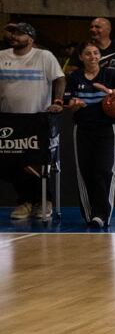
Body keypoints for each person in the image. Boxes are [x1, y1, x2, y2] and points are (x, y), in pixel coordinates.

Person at [60, 42, 115, 228]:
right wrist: (74, 105)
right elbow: (68, 102)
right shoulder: (75, 77)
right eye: (88, 54)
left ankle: (102, 215)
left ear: (100, 56)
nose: (92, 56)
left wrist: (110, 91)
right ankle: (89, 214)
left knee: (104, 170)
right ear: (81, 57)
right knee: (85, 171)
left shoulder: (110, 74)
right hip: (82, 128)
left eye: (95, 53)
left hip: (106, 129)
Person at [1, 20, 65, 221]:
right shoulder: (1, 56)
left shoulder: (44, 56)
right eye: (11, 33)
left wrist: (57, 100)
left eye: (19, 34)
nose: (13, 37)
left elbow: (60, 79)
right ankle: (25, 201)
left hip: (37, 119)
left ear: (30, 38)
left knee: (37, 164)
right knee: (13, 163)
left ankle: (44, 201)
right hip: (8, 119)